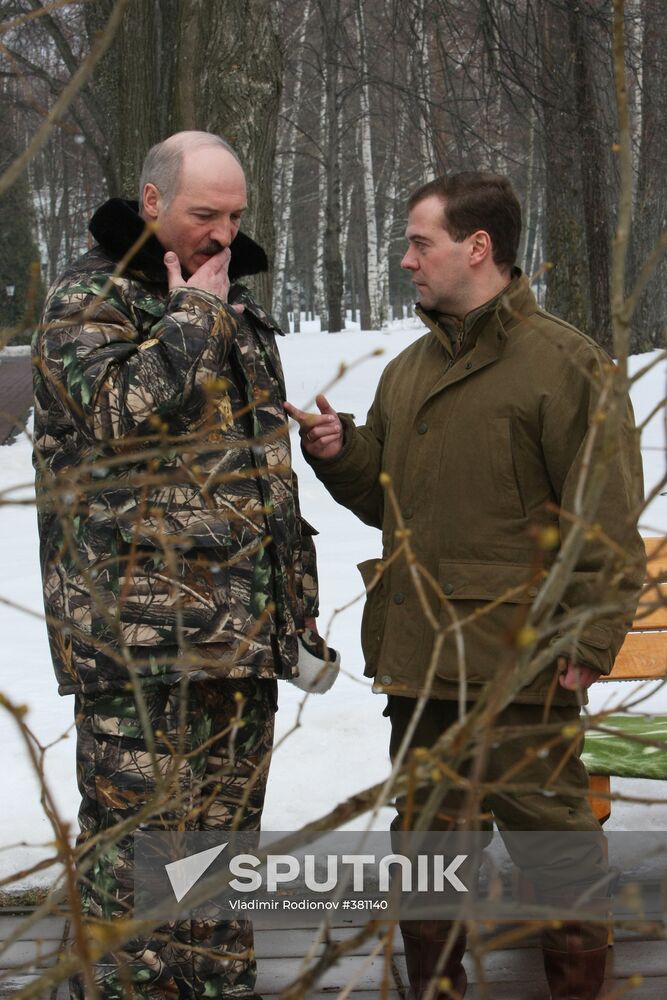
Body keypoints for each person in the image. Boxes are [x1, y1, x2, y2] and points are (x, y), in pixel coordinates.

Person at [285, 172, 645, 999]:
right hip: (420, 667)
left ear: (476, 248)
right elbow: (392, 505)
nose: (405, 260)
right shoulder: (410, 372)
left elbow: (607, 525)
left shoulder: (564, 365)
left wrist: (588, 644)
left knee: (558, 860)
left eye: (420, 243)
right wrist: (344, 456)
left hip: (519, 671)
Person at [33, 131, 321, 999]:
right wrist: (195, 313)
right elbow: (120, 415)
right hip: (142, 645)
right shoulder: (89, 300)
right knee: (140, 871)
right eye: (206, 214)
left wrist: (291, 604)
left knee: (222, 865)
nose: (224, 236)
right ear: (153, 204)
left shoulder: (231, 300)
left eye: (236, 216)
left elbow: (252, 473)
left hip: (239, 639)